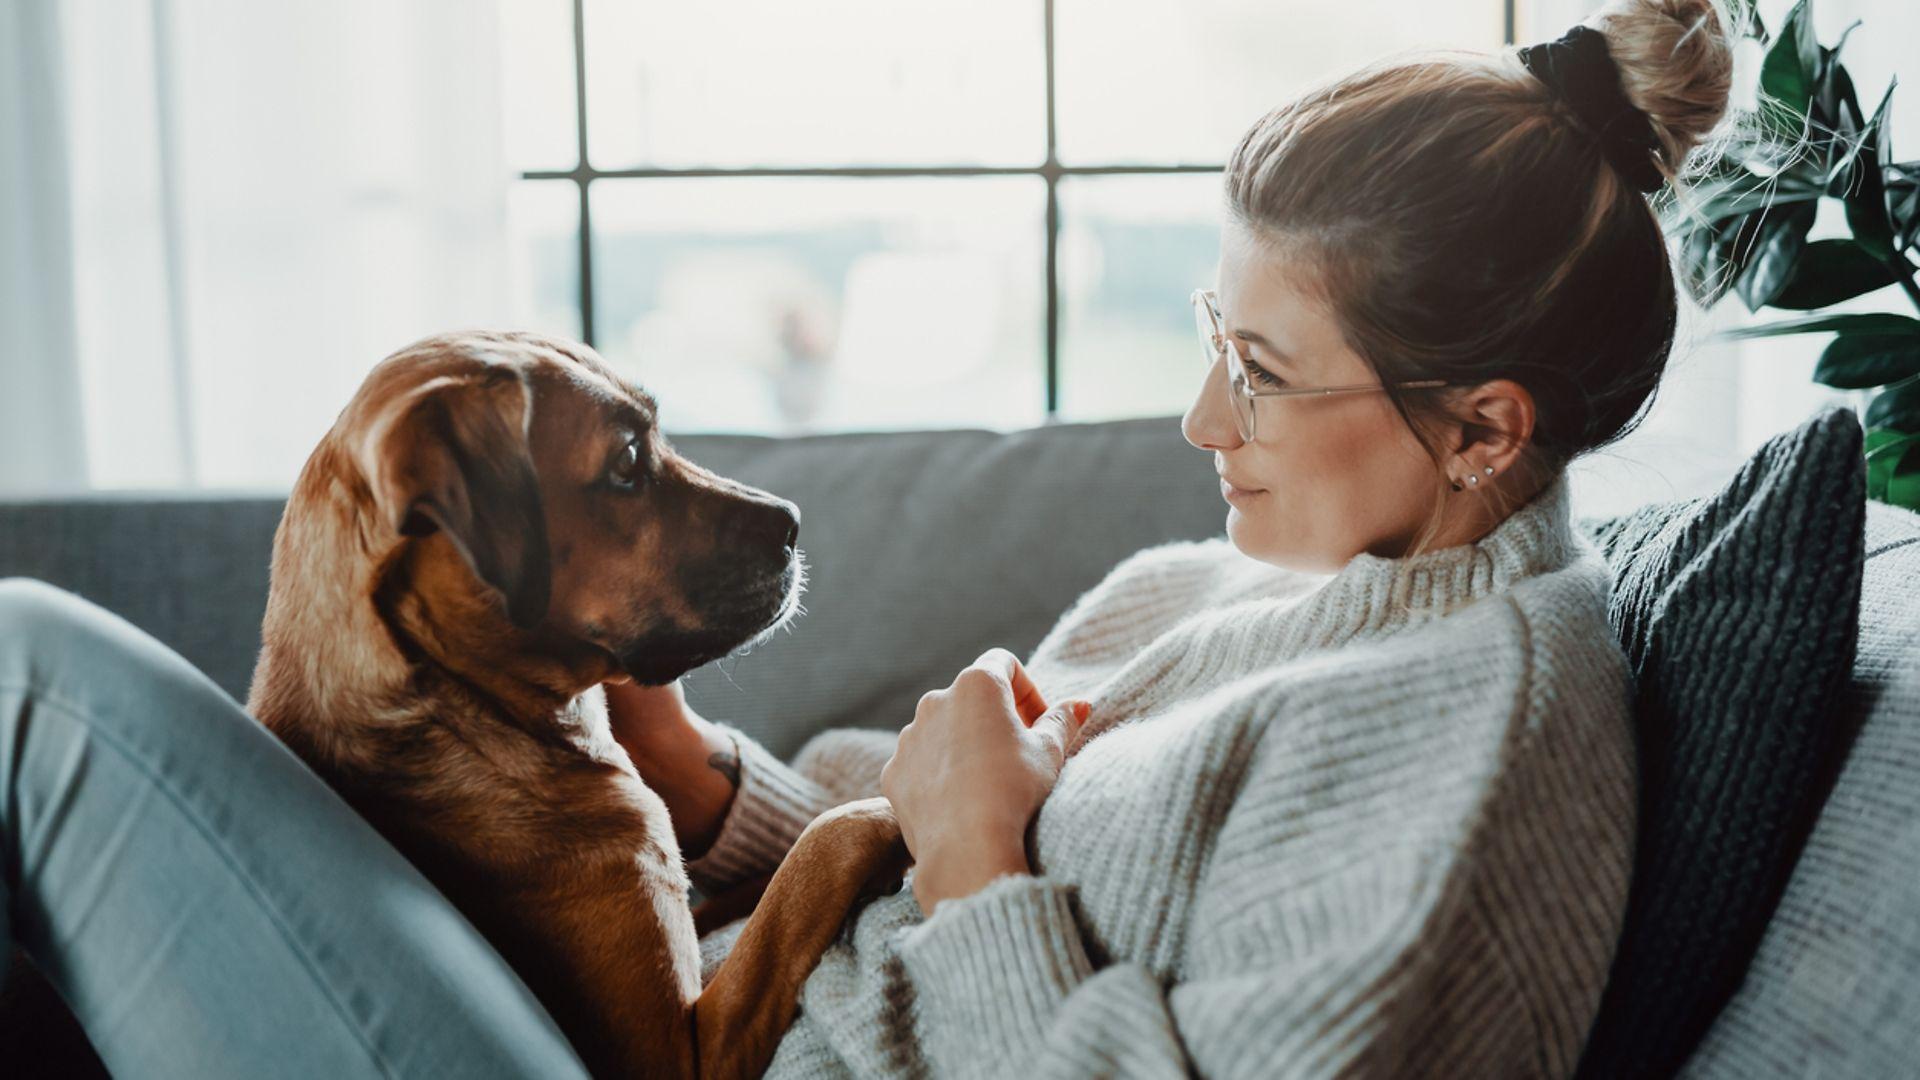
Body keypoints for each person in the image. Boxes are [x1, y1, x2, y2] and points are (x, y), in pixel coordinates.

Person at [0, 0, 1735, 1075]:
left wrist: (979, 867)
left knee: (26, 675)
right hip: (662, 1012)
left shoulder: (1476, 742)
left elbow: (957, 869)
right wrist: (704, 792)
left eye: (1262, 374)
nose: (1202, 424)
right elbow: (882, 824)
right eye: (1214, 341)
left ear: (1489, 424)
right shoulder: (1221, 587)